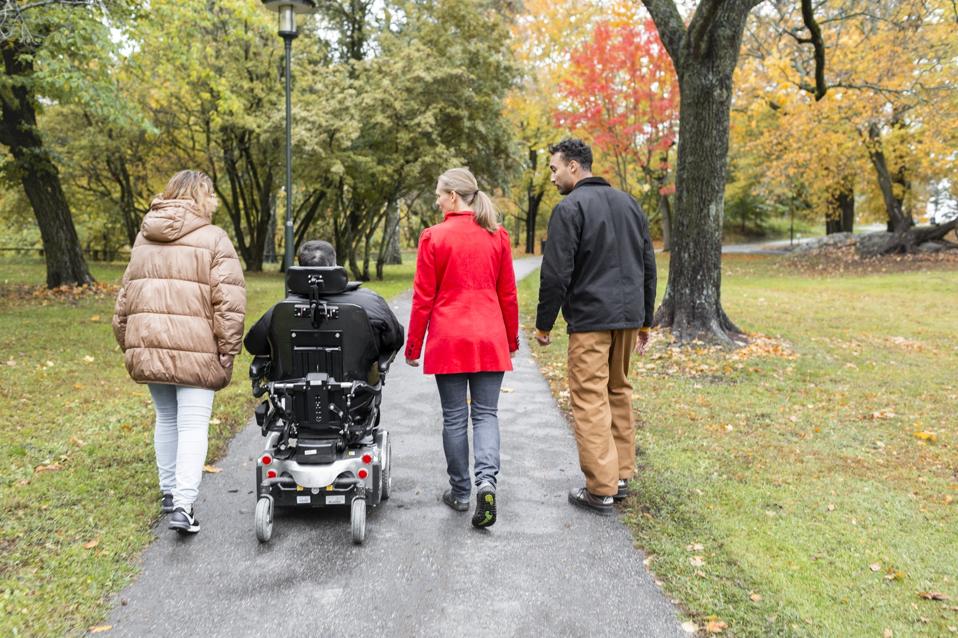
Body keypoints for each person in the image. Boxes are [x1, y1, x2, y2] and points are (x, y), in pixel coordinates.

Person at [113, 170, 247, 535]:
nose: (215, 201)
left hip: (150, 344)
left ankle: (170, 493)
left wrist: (125, 337)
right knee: (192, 425)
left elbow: (126, 294)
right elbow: (229, 302)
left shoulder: (145, 237)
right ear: (201, 196)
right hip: (196, 348)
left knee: (166, 419)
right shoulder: (214, 238)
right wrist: (228, 348)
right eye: (212, 195)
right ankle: (184, 506)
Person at [534, 139, 657, 516]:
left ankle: (600, 489)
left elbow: (556, 272)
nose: (552, 177)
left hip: (590, 321)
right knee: (617, 391)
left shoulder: (570, 208)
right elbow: (648, 263)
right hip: (627, 318)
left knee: (589, 398)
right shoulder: (629, 204)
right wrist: (645, 320)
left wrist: (544, 324)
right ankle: (619, 475)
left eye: (555, 169)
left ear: (574, 167)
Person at [405, 167, 519, 528]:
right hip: (489, 337)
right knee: (485, 414)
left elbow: (423, 298)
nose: (437, 201)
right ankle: (487, 481)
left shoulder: (433, 237)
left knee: (455, 417)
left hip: (449, 339)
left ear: (453, 196)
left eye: (439, 195)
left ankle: (461, 492)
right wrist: (512, 339)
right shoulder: (497, 236)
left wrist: (413, 346)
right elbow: (508, 295)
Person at [243, 240, 404, 379]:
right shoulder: (369, 301)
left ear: (301, 269)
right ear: (335, 265)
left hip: (293, 403)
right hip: (356, 398)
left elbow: (253, 345)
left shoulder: (281, 311)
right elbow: (395, 337)